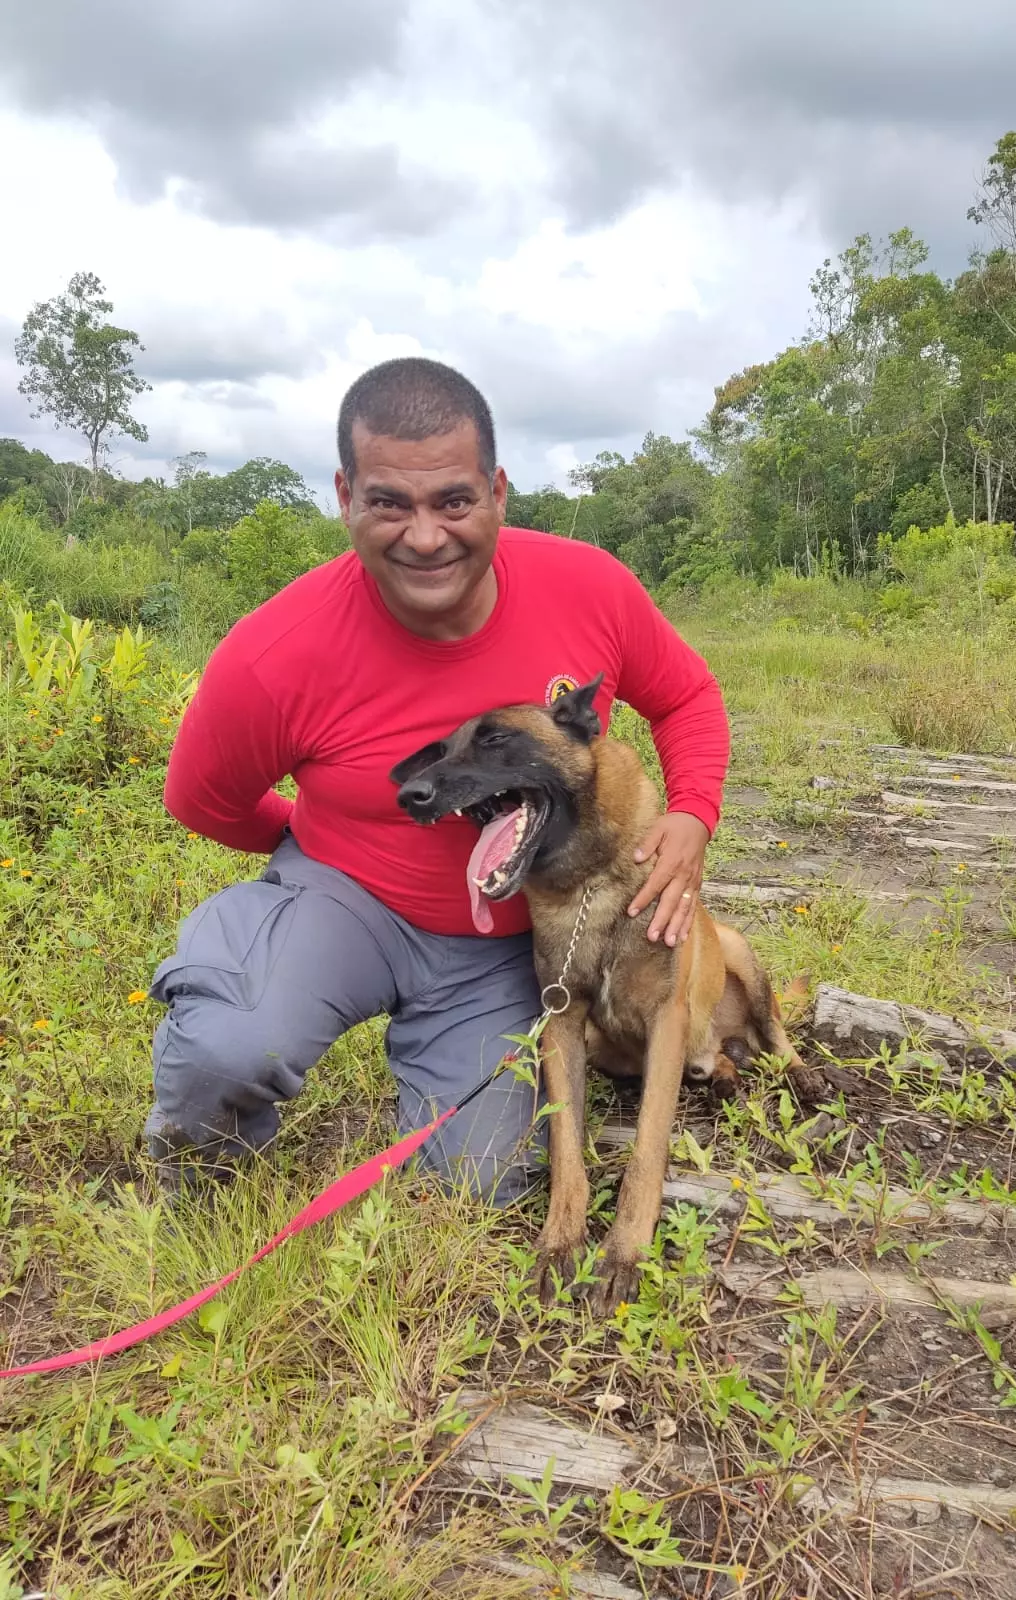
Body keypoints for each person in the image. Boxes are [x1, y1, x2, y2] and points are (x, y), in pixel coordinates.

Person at [145, 358, 730, 1203]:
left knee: (478, 1184)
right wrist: (312, 845)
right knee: (232, 1045)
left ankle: (452, 1073)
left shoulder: (587, 587)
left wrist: (693, 815)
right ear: (345, 495)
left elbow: (687, 697)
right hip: (344, 902)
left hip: (501, 950)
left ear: (497, 490)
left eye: (453, 500)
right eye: (390, 501)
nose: (425, 535)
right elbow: (198, 797)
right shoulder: (276, 651)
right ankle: (191, 1176)